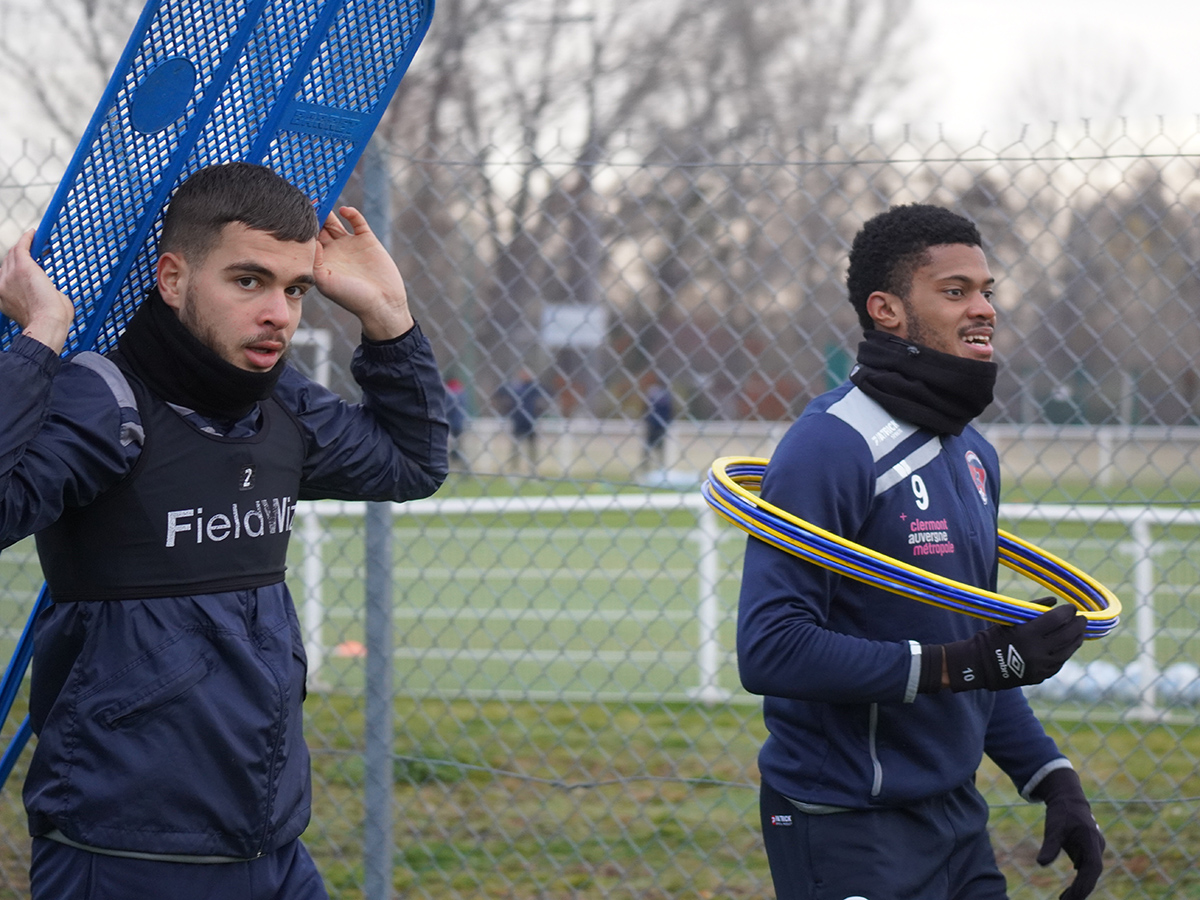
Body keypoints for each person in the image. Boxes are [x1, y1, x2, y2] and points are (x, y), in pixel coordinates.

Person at [0, 162, 448, 899]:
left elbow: (411, 463)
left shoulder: (284, 408)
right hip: (124, 859)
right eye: (248, 281)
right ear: (173, 280)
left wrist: (388, 316)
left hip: (271, 849)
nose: (279, 312)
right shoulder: (105, 402)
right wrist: (42, 336)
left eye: (295, 289)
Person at [736, 204, 1105, 900]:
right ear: (887, 310)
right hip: (846, 822)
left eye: (987, 290)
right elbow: (770, 650)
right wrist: (971, 662)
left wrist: (1050, 776)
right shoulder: (831, 446)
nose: (985, 309)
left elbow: (971, 654)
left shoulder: (972, 453)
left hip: (956, 821)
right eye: (955, 291)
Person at [500, 368, 547, 475]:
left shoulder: (534, 387)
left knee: (532, 448)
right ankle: (514, 470)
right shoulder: (515, 386)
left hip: (530, 421)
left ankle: (532, 471)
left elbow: (543, 397)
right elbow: (502, 393)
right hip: (518, 421)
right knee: (515, 447)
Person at [641, 377, 675, 473]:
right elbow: (645, 406)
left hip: (660, 424)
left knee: (659, 448)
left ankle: (659, 468)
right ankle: (646, 467)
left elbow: (670, 409)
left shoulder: (665, 393)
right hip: (653, 424)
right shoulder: (654, 392)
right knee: (649, 448)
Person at [445, 377, 467, 467]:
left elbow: (448, 409)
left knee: (455, 446)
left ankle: (458, 463)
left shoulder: (451, 394)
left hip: (453, 423)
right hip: (460, 422)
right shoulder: (462, 392)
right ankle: (459, 463)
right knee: (457, 445)